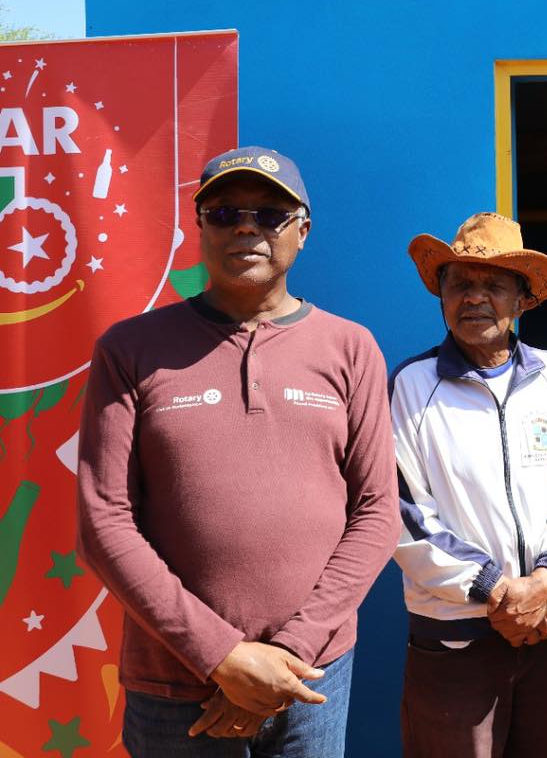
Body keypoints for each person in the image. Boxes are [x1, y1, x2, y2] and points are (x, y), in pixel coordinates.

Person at [77, 146, 400, 755]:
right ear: (199, 227)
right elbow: (103, 522)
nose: (247, 226)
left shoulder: (350, 348)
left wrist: (286, 657)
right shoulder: (131, 349)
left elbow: (379, 512)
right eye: (225, 212)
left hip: (310, 680)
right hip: (175, 686)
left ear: (303, 230)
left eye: (270, 214)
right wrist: (221, 656)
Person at [390, 211, 547, 758]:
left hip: (544, 627)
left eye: (494, 285)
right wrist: (497, 591)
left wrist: (545, 580)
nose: (474, 298)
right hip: (456, 638)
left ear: (522, 299)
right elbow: (403, 514)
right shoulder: (414, 385)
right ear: (442, 296)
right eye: (460, 284)